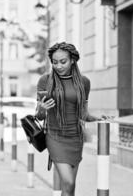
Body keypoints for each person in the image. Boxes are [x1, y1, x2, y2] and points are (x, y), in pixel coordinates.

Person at [35, 42, 107, 196]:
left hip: (75, 138)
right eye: (55, 62)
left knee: (70, 189)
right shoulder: (45, 81)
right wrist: (42, 108)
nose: (59, 66)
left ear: (72, 60)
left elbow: (83, 113)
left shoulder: (84, 82)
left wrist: (97, 118)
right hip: (55, 137)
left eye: (63, 62)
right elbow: (39, 116)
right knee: (68, 182)